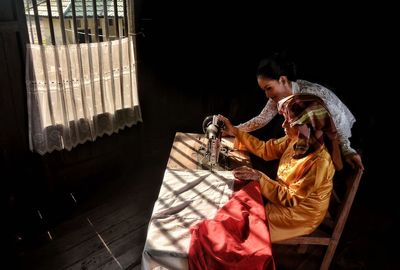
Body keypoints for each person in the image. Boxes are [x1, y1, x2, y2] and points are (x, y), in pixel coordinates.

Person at [218, 93, 342, 242]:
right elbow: (265, 149)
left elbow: (291, 199)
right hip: (282, 199)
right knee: (234, 208)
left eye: (289, 121)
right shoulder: (296, 140)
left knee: (242, 227)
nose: (283, 125)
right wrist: (235, 132)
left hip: (298, 215)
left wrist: (259, 177)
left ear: (305, 127)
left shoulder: (319, 163)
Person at [235, 52, 364, 170]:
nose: (267, 95)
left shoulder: (311, 94)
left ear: (283, 80)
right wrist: (233, 129)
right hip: (310, 145)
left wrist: (347, 150)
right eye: (264, 90)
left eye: (269, 88)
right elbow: (261, 119)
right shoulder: (277, 97)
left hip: (336, 141)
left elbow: (338, 120)